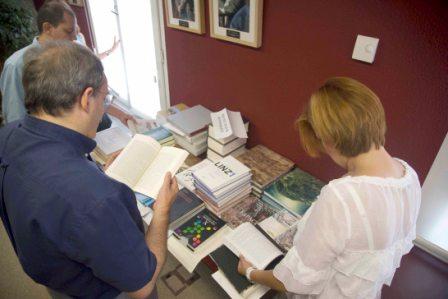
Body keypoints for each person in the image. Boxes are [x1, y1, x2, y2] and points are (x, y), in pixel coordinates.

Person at [0, 41, 178, 298]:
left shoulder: (6, 137)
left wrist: (91, 171)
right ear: (86, 99)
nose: (104, 105)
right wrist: (161, 212)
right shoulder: (96, 200)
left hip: (59, 278)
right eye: (104, 98)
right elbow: (143, 285)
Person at [237, 77, 422, 298]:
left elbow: (295, 280)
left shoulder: (342, 197)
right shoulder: (408, 175)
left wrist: (250, 272)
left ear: (328, 138)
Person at [0, 1, 134, 128]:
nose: (74, 38)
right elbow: (15, 118)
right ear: (47, 28)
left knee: (104, 123)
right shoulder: (16, 65)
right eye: (69, 32)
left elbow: (90, 95)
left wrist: (121, 114)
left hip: (73, 132)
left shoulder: (71, 55)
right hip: (46, 140)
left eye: (75, 33)